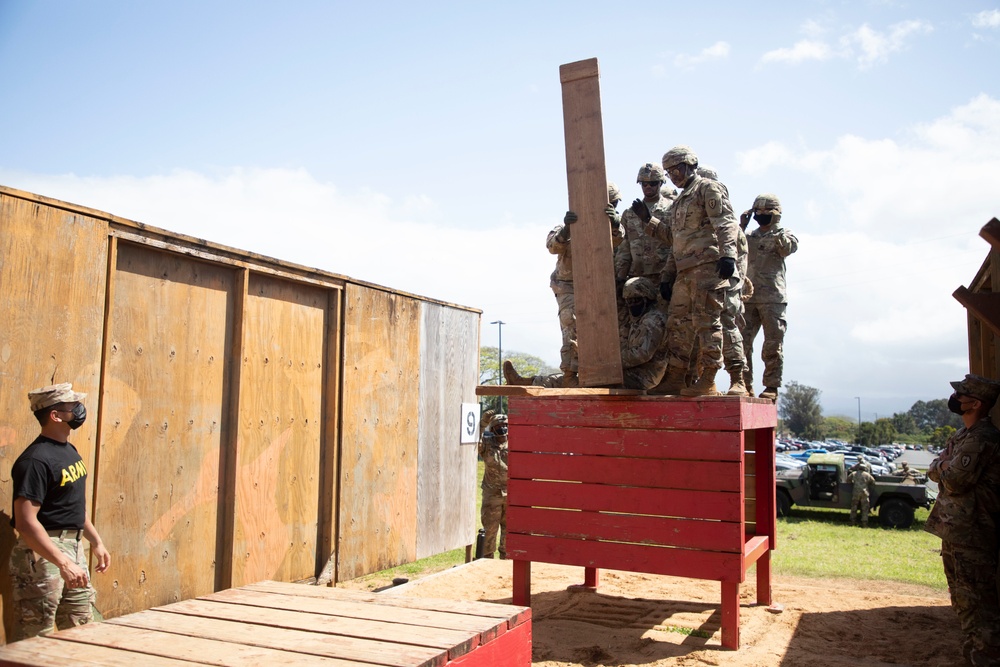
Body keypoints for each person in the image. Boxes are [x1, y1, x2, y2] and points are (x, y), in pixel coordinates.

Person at [9, 383, 111, 641]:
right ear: (55, 416)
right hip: (43, 553)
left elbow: (72, 505)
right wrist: (62, 562)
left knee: (84, 630)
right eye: (72, 406)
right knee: (34, 637)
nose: (79, 410)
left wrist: (95, 541)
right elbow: (26, 522)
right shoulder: (35, 460)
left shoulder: (69, 452)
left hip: (73, 547)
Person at [645, 146, 739, 397]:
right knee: (677, 326)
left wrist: (728, 254)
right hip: (683, 272)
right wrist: (667, 276)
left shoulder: (707, 188)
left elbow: (726, 222)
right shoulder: (679, 201)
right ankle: (675, 377)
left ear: (690, 165)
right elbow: (677, 240)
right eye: (669, 171)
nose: (673, 174)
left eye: (677, 168)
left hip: (707, 268)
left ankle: (708, 377)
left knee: (708, 323)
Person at [925, 374, 1000, 666]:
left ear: (976, 403)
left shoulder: (983, 438)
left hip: (974, 533)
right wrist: (943, 465)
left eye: (962, 395)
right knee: (962, 601)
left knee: (979, 606)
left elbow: (954, 479)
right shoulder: (963, 436)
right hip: (955, 531)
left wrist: (942, 464)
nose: (956, 399)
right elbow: (937, 469)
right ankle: (973, 655)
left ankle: (985, 658)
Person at [504, 277, 669, 391]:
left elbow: (641, 354)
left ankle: (529, 382)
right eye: (629, 302)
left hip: (643, 377)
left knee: (582, 382)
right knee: (579, 378)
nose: (632, 305)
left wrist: (602, 360)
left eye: (636, 300)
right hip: (632, 373)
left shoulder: (653, 320)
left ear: (647, 298)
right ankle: (528, 382)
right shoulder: (640, 318)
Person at [547, 184, 626, 387]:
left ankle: (595, 374)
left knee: (600, 329)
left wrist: (615, 223)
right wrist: (567, 229)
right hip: (568, 285)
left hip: (597, 285)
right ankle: (569, 375)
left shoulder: (609, 226)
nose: (614, 208)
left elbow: (619, 240)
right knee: (571, 325)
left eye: (615, 205)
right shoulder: (568, 225)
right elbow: (552, 246)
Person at [739, 194, 799, 401]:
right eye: (759, 211)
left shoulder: (785, 234)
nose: (762, 215)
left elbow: (787, 248)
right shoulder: (750, 237)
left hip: (773, 298)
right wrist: (742, 226)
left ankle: (771, 386)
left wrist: (776, 229)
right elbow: (734, 247)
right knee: (741, 344)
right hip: (748, 298)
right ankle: (744, 384)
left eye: (767, 212)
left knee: (773, 344)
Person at [614, 163, 674, 305]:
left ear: (660, 183)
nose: (648, 187)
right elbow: (624, 247)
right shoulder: (630, 213)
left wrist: (670, 275)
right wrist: (621, 277)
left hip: (663, 275)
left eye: (652, 183)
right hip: (637, 277)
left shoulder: (672, 208)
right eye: (644, 184)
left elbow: (676, 242)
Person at [479, 413, 509, 559]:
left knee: (509, 533)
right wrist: (483, 423)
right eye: (499, 426)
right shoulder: (487, 443)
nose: (502, 428)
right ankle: (486, 561)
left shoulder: (516, 442)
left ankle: (506, 561)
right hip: (492, 496)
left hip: (511, 495)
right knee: (489, 531)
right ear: (493, 428)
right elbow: (473, 439)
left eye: (505, 425)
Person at [848, 463, 876, 527]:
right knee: (865, 508)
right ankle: (864, 523)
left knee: (854, 507)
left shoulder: (854, 473)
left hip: (856, 493)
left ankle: (852, 521)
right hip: (864, 493)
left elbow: (848, 480)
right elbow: (873, 481)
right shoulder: (867, 475)